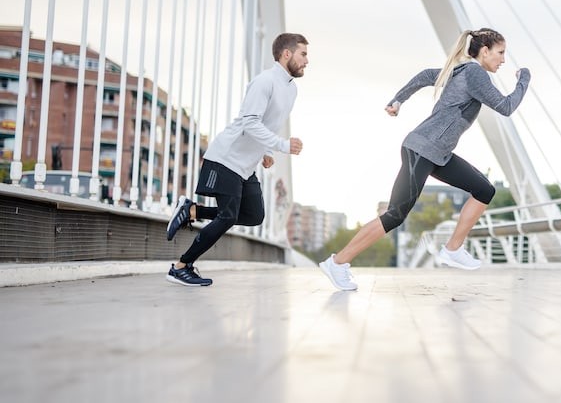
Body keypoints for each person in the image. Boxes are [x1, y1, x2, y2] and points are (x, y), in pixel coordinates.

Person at [319, 27, 530, 291]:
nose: (503, 60)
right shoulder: (474, 72)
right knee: (395, 215)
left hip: (437, 154)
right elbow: (506, 106)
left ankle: (453, 248)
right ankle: (337, 263)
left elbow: (426, 76)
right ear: (485, 51)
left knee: (484, 189)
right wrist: (524, 79)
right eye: (500, 53)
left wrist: (398, 100)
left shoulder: (461, 71)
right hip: (422, 149)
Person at [164, 33, 308, 286]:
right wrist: (282, 145)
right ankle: (181, 266)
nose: (307, 61)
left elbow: (268, 123)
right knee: (228, 216)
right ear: (287, 54)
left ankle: (192, 210)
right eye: (303, 54)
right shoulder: (264, 81)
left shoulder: (291, 89)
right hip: (226, 158)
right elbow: (249, 121)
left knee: (254, 216)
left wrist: (267, 152)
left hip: (246, 165)